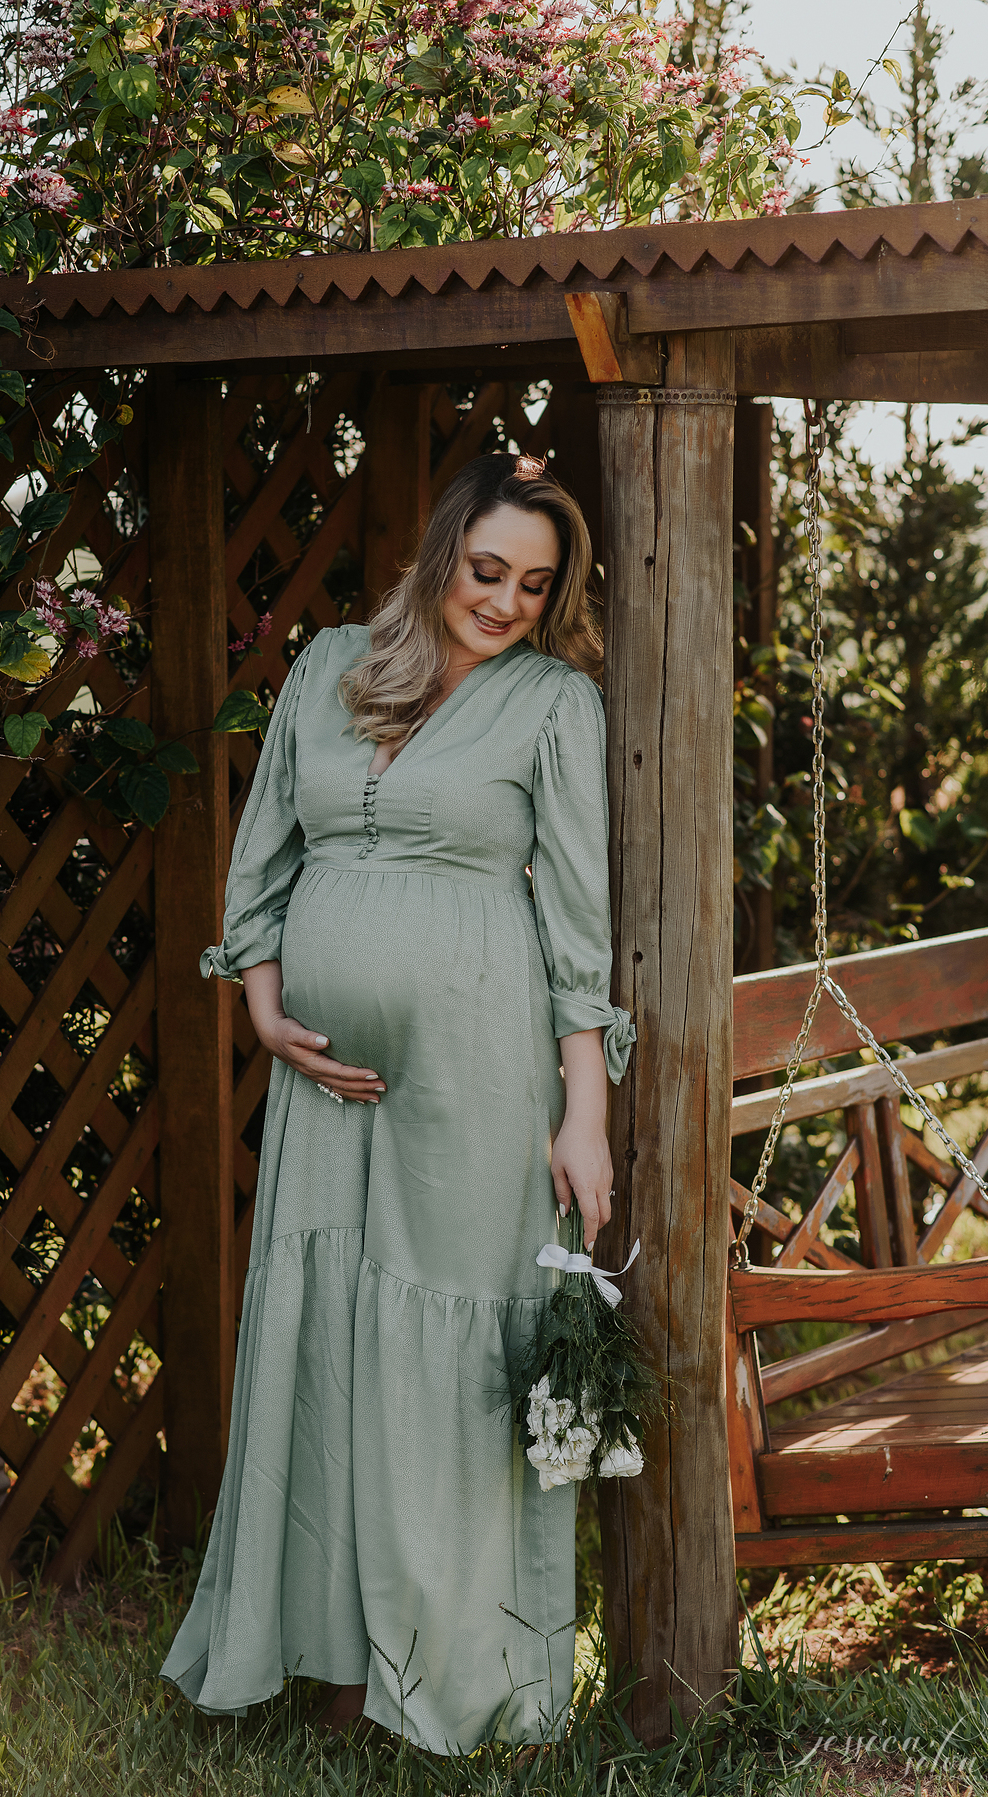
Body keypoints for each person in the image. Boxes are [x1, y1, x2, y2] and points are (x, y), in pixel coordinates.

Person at [162, 452, 635, 1754]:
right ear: (441, 557)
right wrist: (266, 1013)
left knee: (456, 1352)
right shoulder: (328, 667)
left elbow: (580, 924)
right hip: (322, 1083)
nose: (504, 602)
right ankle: (332, 1659)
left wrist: (583, 1112)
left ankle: (459, 1668)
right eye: (486, 570)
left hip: (481, 1063)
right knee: (328, 1340)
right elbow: (263, 854)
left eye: (533, 585)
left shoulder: (554, 703)